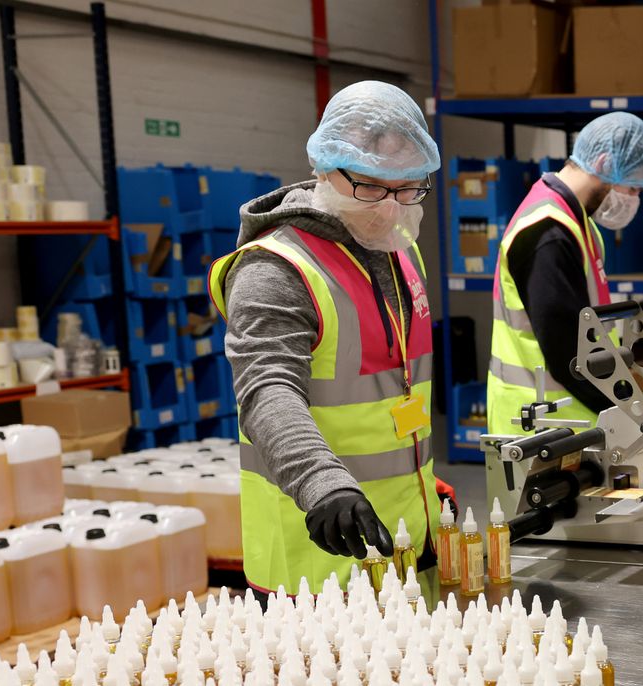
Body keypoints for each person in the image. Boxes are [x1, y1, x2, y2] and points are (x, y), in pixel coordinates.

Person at [207, 81, 453, 596]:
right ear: (324, 168)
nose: (389, 207)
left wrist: (421, 482)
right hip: (317, 558)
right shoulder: (275, 268)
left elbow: (392, 393)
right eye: (369, 186)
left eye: (408, 188)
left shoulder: (400, 252)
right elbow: (267, 391)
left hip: (405, 543)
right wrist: (324, 484)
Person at [487, 112, 643, 434]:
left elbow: (589, 325)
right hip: (542, 427)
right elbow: (569, 354)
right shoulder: (548, 233)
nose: (634, 200)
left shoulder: (579, 223)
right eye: (633, 188)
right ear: (607, 164)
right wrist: (632, 411)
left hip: (570, 421)